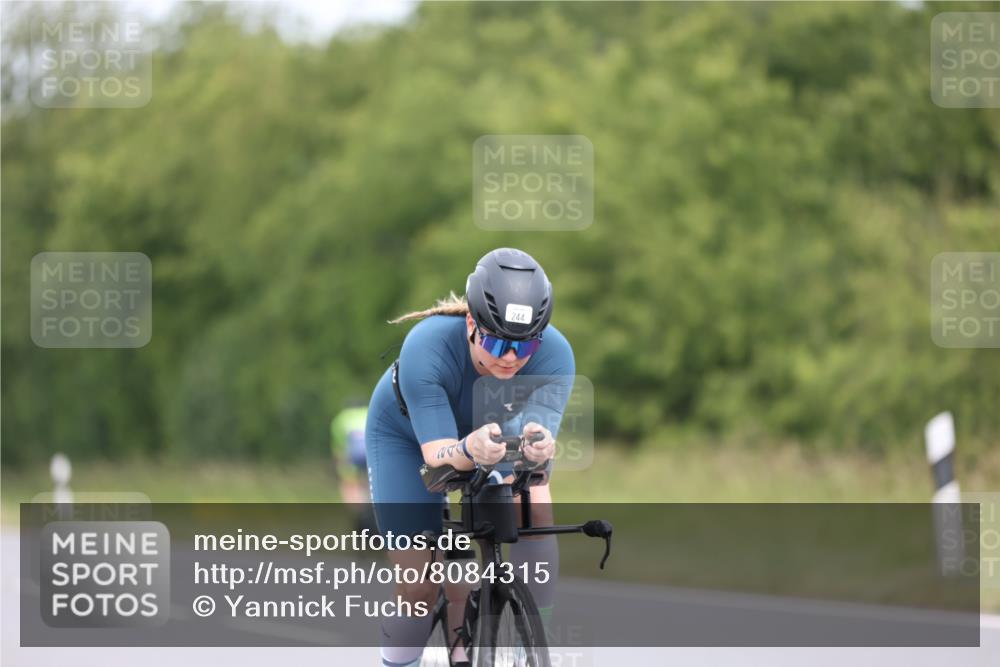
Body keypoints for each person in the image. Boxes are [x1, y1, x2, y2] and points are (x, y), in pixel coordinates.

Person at [366, 248, 575, 667]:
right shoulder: (426, 346)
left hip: (492, 434)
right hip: (408, 440)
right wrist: (466, 449)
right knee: (419, 589)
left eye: (525, 346)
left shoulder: (557, 355)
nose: (511, 358)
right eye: (497, 342)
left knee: (534, 503)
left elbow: (535, 445)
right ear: (470, 324)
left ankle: (532, 639)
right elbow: (438, 461)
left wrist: (538, 448)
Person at [330, 400, 377, 532]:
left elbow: (339, 449)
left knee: (350, 486)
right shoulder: (370, 412)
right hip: (371, 454)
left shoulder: (341, 418)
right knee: (370, 485)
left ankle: (358, 511)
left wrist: (342, 472)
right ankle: (372, 508)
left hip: (353, 456)